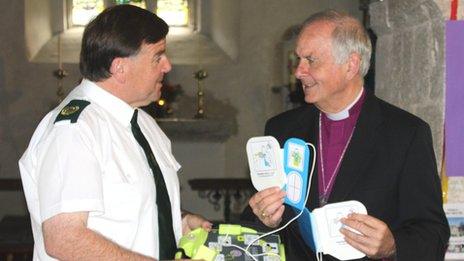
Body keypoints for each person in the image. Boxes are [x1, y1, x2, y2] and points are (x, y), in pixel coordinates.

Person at [242, 10, 449, 261]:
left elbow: (433, 233)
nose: (299, 71)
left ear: (351, 64)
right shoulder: (281, 130)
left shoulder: (406, 133)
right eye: (299, 59)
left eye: (311, 60)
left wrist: (392, 245)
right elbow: (257, 226)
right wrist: (264, 219)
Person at [19, 5, 211, 260]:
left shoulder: (143, 123)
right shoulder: (75, 130)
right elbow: (64, 238)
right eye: (157, 56)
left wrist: (180, 221)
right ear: (119, 68)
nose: (167, 66)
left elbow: (130, 206)